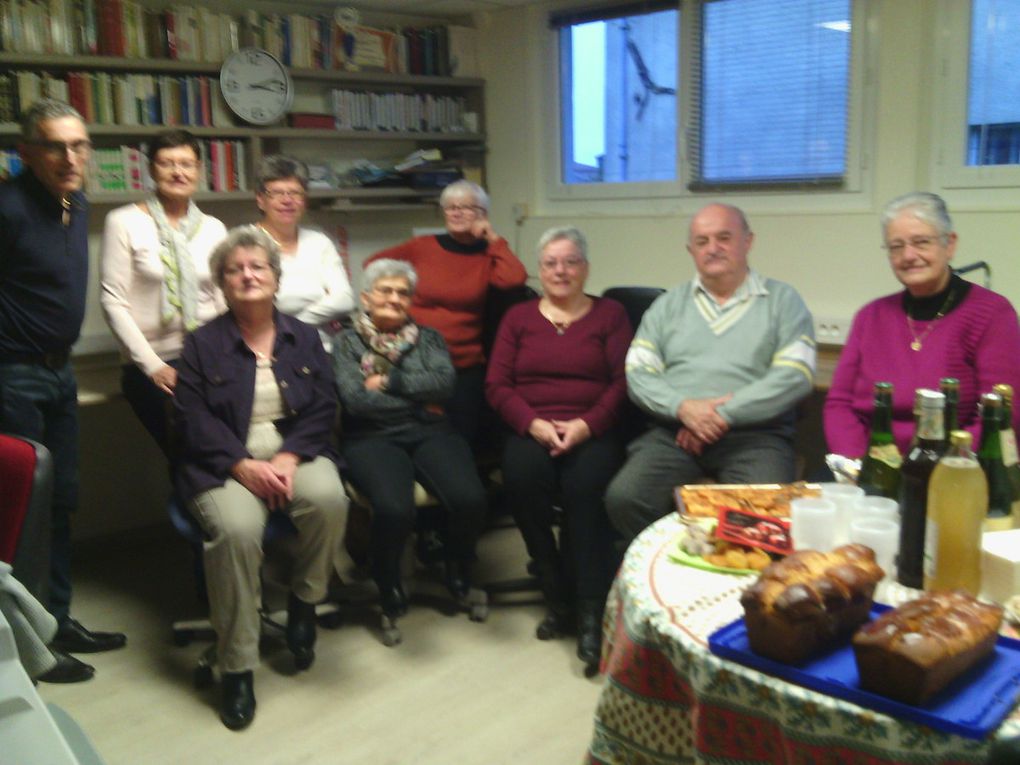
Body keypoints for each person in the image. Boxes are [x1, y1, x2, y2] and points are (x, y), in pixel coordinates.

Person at [174, 226, 348, 731]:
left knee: (330, 498)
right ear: (223, 284)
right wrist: (241, 464)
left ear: (275, 276)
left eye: (258, 267)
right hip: (223, 461)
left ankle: (304, 602)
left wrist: (292, 457)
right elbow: (191, 418)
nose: (248, 275)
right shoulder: (203, 344)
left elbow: (322, 406)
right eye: (235, 269)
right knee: (237, 532)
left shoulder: (305, 336)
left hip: (292, 454)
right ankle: (238, 667)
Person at [0, 99, 126, 684]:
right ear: (26, 152)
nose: (70, 157)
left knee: (62, 501)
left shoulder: (77, 202)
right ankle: (28, 650)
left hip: (61, 371)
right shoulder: (7, 208)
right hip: (13, 374)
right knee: (22, 512)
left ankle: (58, 619)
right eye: (56, 145)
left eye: (79, 145)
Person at [605, 203, 816, 544]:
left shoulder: (783, 301)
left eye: (724, 238)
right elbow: (639, 374)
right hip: (676, 433)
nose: (713, 248)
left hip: (756, 436)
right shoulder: (667, 306)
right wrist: (684, 409)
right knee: (626, 498)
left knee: (765, 517)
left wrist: (717, 417)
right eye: (702, 241)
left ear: (747, 242)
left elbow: (795, 376)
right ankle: (675, 574)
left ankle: (736, 591)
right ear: (691, 251)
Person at [485, 226, 631, 672]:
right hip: (534, 428)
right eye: (551, 263)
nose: (560, 270)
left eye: (570, 261)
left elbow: (625, 382)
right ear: (540, 270)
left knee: (586, 493)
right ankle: (554, 592)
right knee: (522, 481)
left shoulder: (611, 315)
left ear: (585, 268)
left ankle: (588, 611)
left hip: (592, 428)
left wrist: (587, 425)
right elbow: (497, 384)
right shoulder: (519, 318)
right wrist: (533, 424)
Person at [333, 259, 488, 623]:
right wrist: (419, 398)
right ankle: (386, 580)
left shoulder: (429, 338)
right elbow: (355, 400)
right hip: (371, 438)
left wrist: (389, 383)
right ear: (367, 297)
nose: (394, 298)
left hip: (430, 431)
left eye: (403, 292)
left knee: (471, 499)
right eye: (385, 290)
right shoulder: (345, 343)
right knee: (393, 507)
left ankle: (456, 564)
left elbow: (445, 384)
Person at [825, 192, 1020, 457]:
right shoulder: (870, 316)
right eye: (896, 246)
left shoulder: (992, 314)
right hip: (868, 466)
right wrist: (860, 465)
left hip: (955, 469)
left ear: (949, 244)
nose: (908, 255)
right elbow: (839, 404)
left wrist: (937, 470)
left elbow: (1001, 417)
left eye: (921, 242)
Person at [365, 179, 527, 443]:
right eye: (450, 207)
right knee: (411, 432)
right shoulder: (422, 246)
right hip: (412, 358)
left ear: (482, 214)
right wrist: (398, 298)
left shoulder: (489, 254)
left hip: (461, 364)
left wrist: (494, 239)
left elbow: (513, 278)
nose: (456, 212)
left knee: (461, 439)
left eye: (466, 207)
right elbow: (373, 266)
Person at [100, 129, 227, 459]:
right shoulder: (123, 221)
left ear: (199, 170)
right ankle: (195, 507)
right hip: (153, 361)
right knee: (190, 444)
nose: (178, 172)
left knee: (241, 431)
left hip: (210, 354)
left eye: (186, 164)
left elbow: (222, 298)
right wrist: (154, 366)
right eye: (167, 163)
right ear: (151, 169)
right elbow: (112, 301)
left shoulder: (213, 228)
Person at [254, 155, 354, 350]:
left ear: (305, 200)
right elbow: (249, 309)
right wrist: (323, 306)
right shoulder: (244, 243)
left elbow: (345, 299)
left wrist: (292, 325)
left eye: (295, 193)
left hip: (322, 348)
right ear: (260, 200)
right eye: (276, 193)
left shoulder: (319, 242)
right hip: (265, 348)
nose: (287, 200)